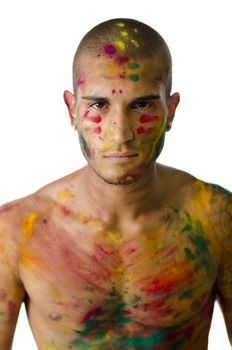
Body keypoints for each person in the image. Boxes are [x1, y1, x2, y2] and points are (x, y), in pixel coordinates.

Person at [0, 17, 231, 350]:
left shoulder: (216, 218)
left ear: (172, 109)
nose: (120, 133)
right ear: (72, 109)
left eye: (142, 105)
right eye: (98, 105)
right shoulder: (16, 230)